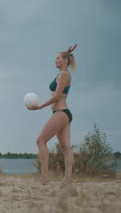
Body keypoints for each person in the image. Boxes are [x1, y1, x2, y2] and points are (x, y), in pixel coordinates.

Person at [28, 44, 78, 186]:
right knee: (66, 147)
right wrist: (67, 53)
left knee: (40, 141)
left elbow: (57, 97)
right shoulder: (63, 73)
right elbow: (58, 94)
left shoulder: (64, 75)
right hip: (64, 113)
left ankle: (45, 176)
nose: (55, 61)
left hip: (61, 113)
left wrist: (40, 107)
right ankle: (67, 179)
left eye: (57, 58)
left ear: (65, 61)